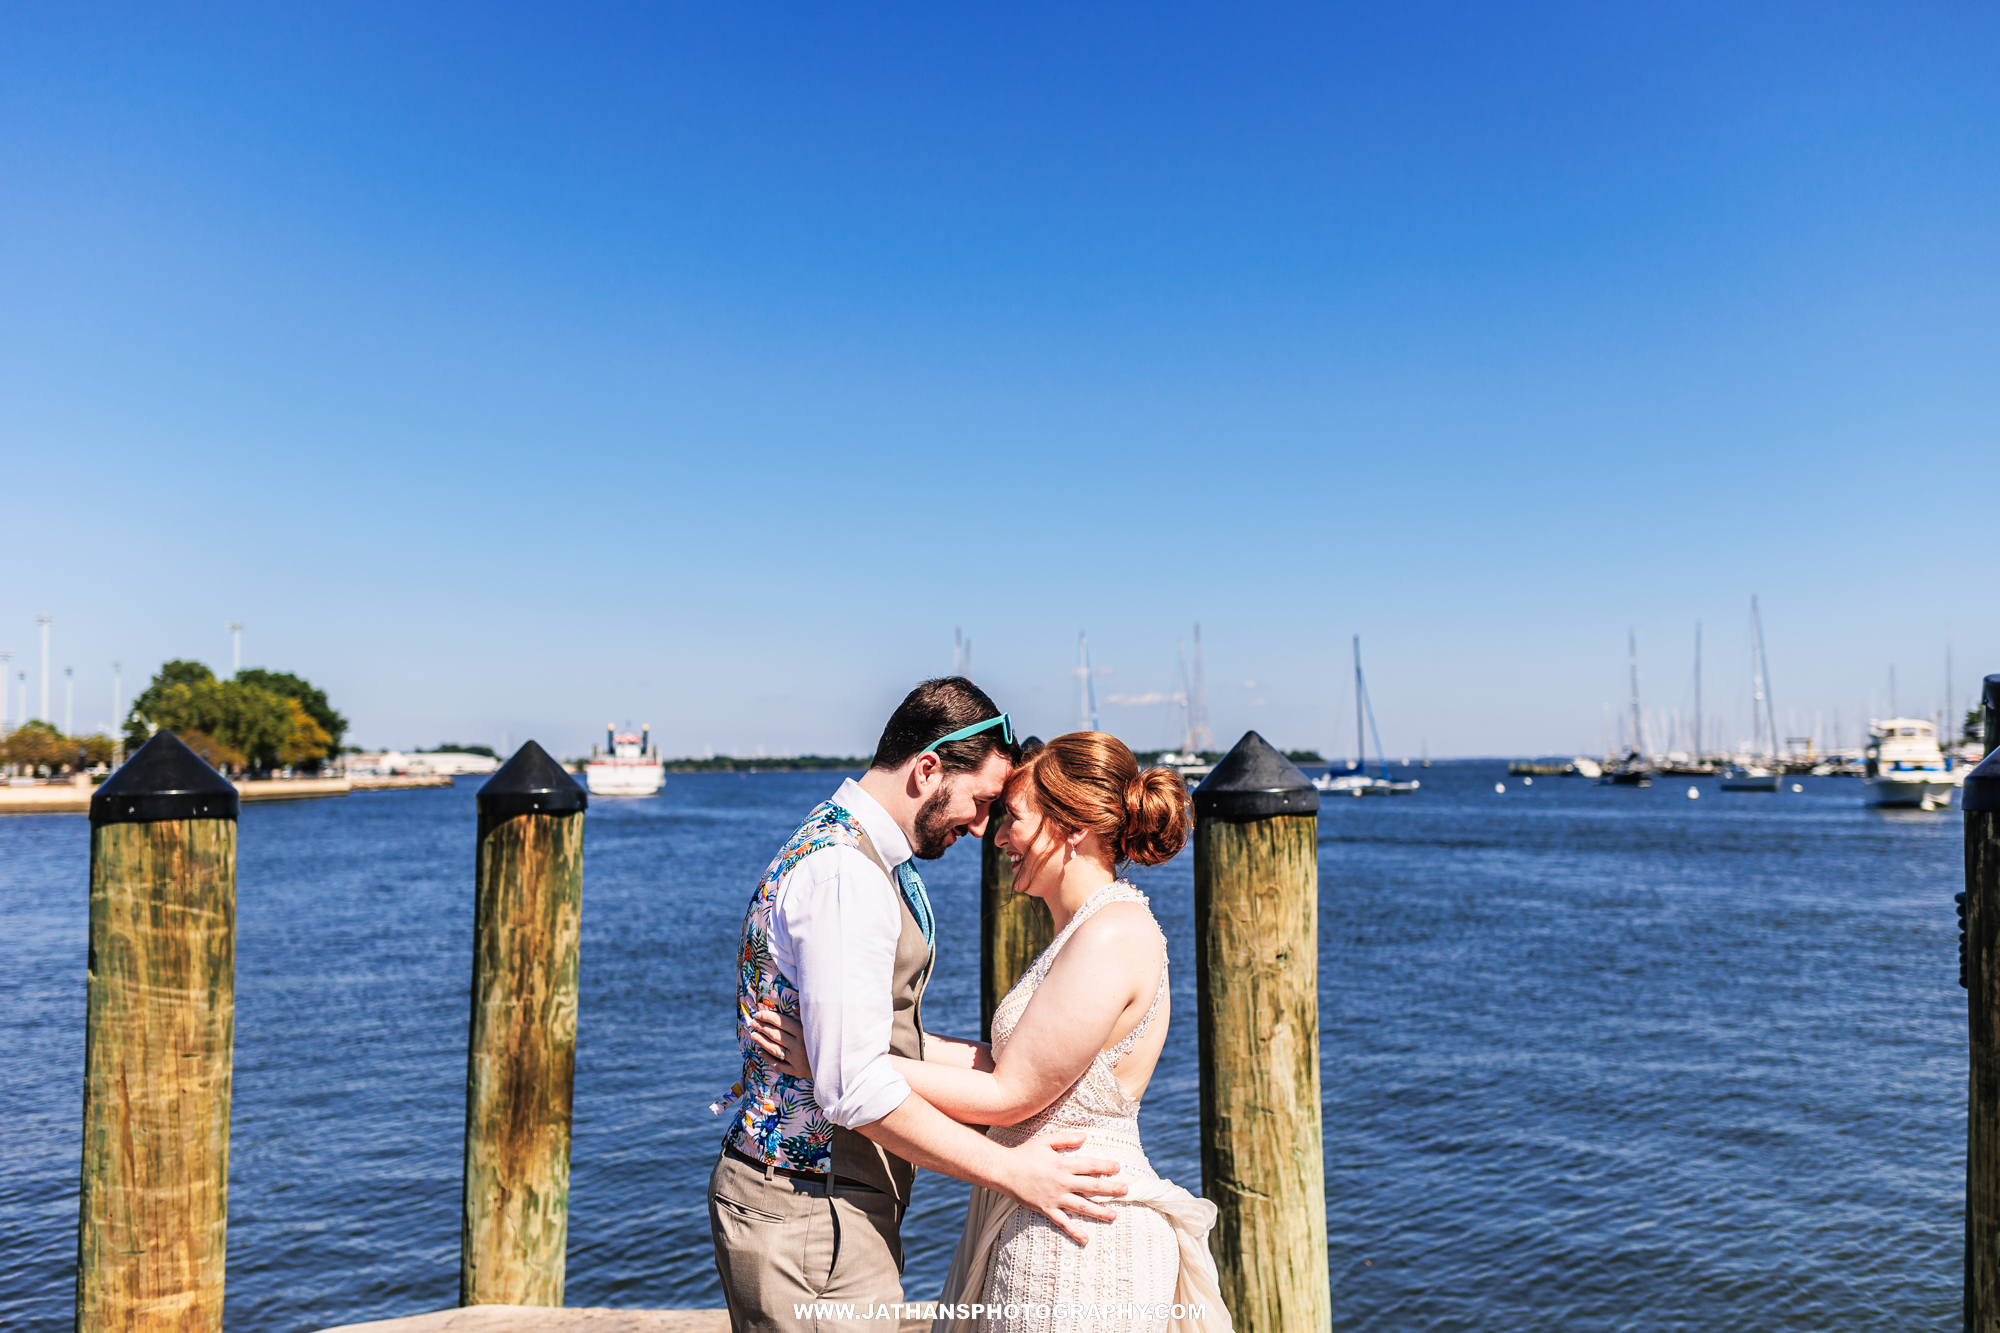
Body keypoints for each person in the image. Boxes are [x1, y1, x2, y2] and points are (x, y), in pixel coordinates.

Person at [754, 731, 1231, 1333]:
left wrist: (838, 1061)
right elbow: (1004, 1064)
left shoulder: (1113, 932)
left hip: (1078, 1229)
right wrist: (852, 1042)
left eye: (1016, 818)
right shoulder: (1087, 929)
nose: (999, 836)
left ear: (1073, 827)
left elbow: (1010, 1095)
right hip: (1047, 1204)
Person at [709, 681, 1131, 1333]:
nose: (984, 825)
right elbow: (853, 1086)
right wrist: (1015, 1172)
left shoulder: (857, 853)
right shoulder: (847, 875)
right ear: (928, 767)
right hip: (809, 1210)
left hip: (825, 1206)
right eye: (982, 800)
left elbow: (875, 1046)